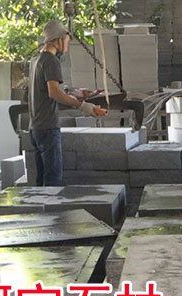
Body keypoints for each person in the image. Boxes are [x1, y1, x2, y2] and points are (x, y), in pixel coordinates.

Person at [28, 19, 108, 187]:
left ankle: (40, 205)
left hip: (35, 128)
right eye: (67, 41)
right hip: (48, 128)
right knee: (53, 180)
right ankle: (51, 206)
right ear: (58, 39)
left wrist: (75, 92)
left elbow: (46, 90)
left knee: (41, 181)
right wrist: (84, 106)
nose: (68, 45)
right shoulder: (51, 60)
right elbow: (54, 92)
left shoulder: (36, 60)